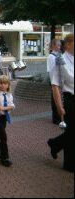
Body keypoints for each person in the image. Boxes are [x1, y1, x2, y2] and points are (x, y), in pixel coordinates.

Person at [47, 34, 74, 173]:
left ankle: (55, 143)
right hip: (69, 99)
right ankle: (69, 164)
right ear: (68, 44)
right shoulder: (59, 59)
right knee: (71, 131)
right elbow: (55, 84)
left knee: (71, 132)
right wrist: (59, 106)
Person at [47, 39, 62, 125]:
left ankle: (59, 116)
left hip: (59, 81)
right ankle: (55, 118)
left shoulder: (58, 55)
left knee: (58, 98)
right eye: (58, 45)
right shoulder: (51, 57)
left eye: (60, 45)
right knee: (54, 99)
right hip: (54, 81)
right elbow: (52, 70)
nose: (59, 47)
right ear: (53, 46)